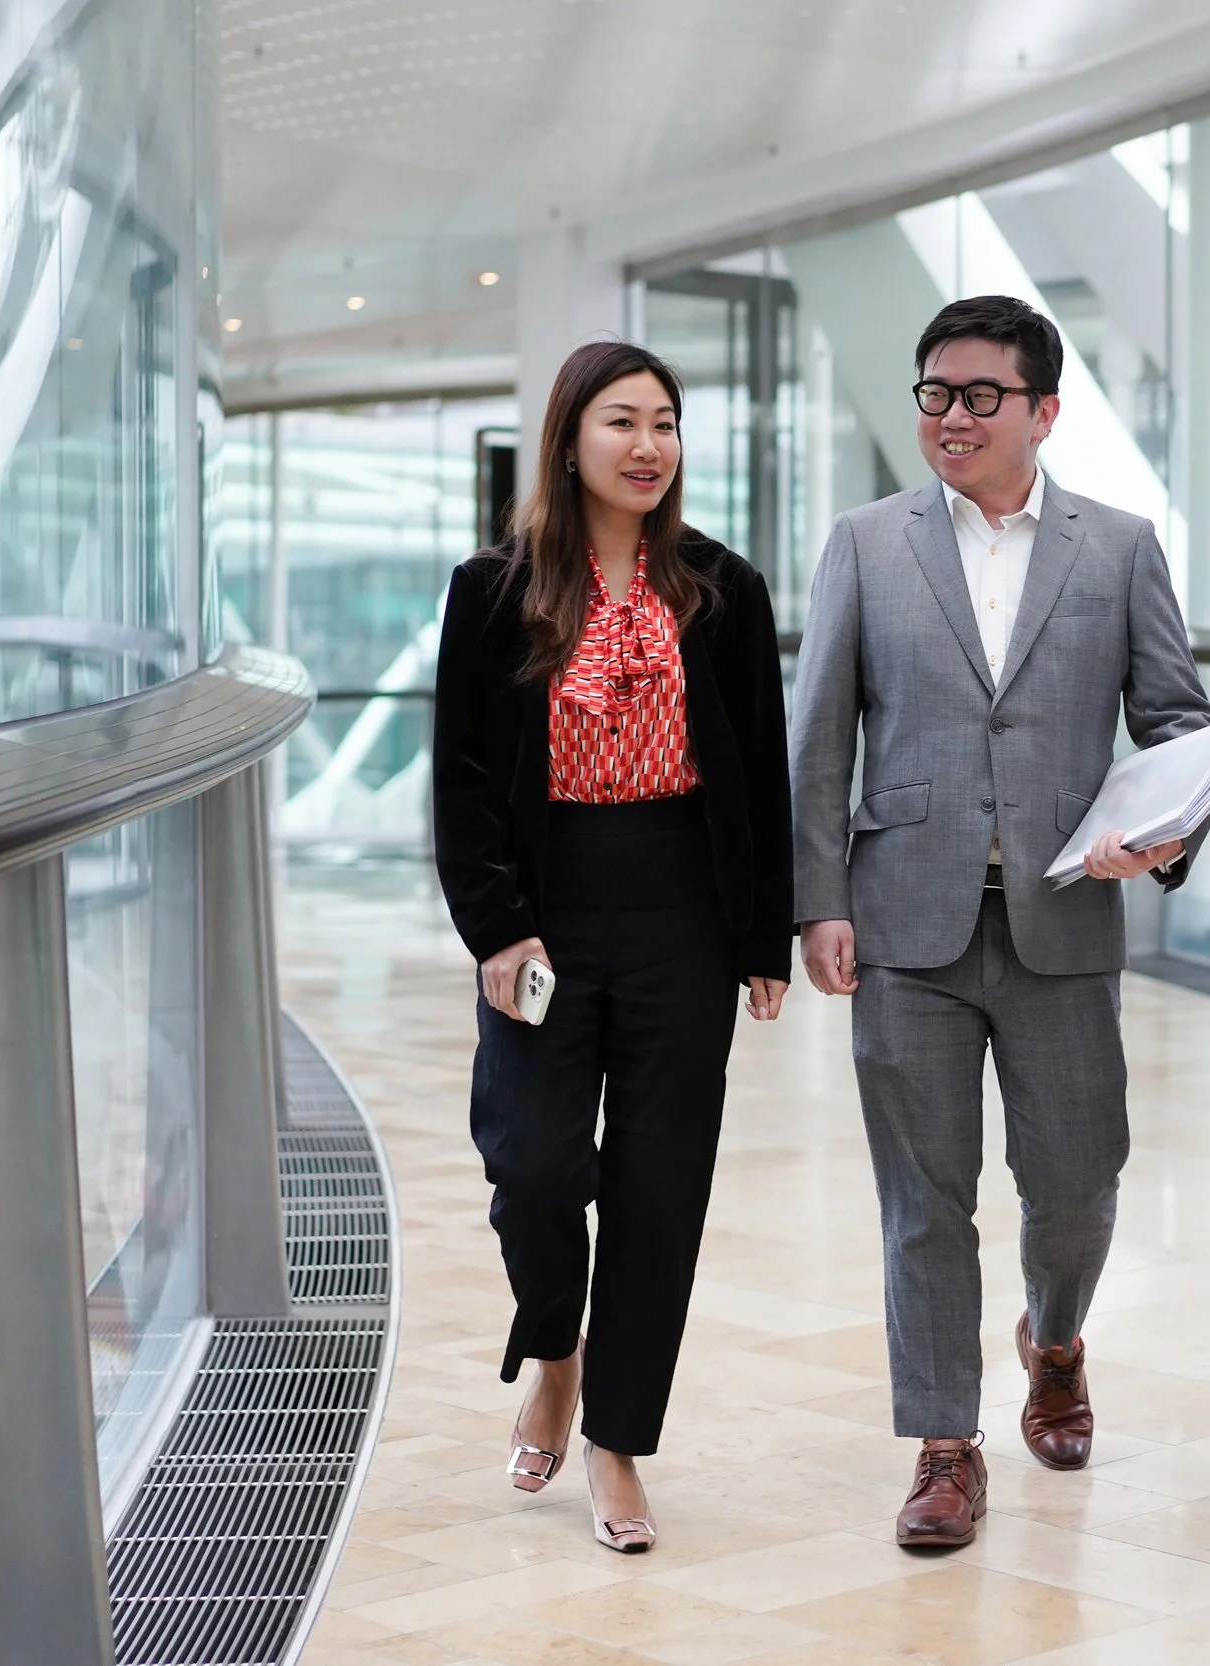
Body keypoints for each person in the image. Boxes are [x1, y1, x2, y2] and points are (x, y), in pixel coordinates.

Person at [789, 295, 1210, 1548]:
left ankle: (1057, 1334)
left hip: (1065, 917)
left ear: (1045, 410)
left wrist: (1170, 829)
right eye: (935, 393)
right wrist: (817, 900)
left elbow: (1177, 722)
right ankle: (943, 1445)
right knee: (923, 1198)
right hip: (904, 920)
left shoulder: (1120, 544)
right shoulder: (865, 543)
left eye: (981, 395)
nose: (953, 416)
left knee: (1078, 1183)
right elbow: (818, 742)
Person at [432, 340, 793, 1554]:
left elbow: (759, 771)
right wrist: (495, 925)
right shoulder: (493, 590)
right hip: (544, 913)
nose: (648, 446)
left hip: (681, 909)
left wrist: (761, 936)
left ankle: (619, 1443)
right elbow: (465, 778)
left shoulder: (722, 590)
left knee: (659, 1187)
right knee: (531, 1162)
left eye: (666, 424)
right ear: (570, 438)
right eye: (622, 422)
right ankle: (554, 1347)